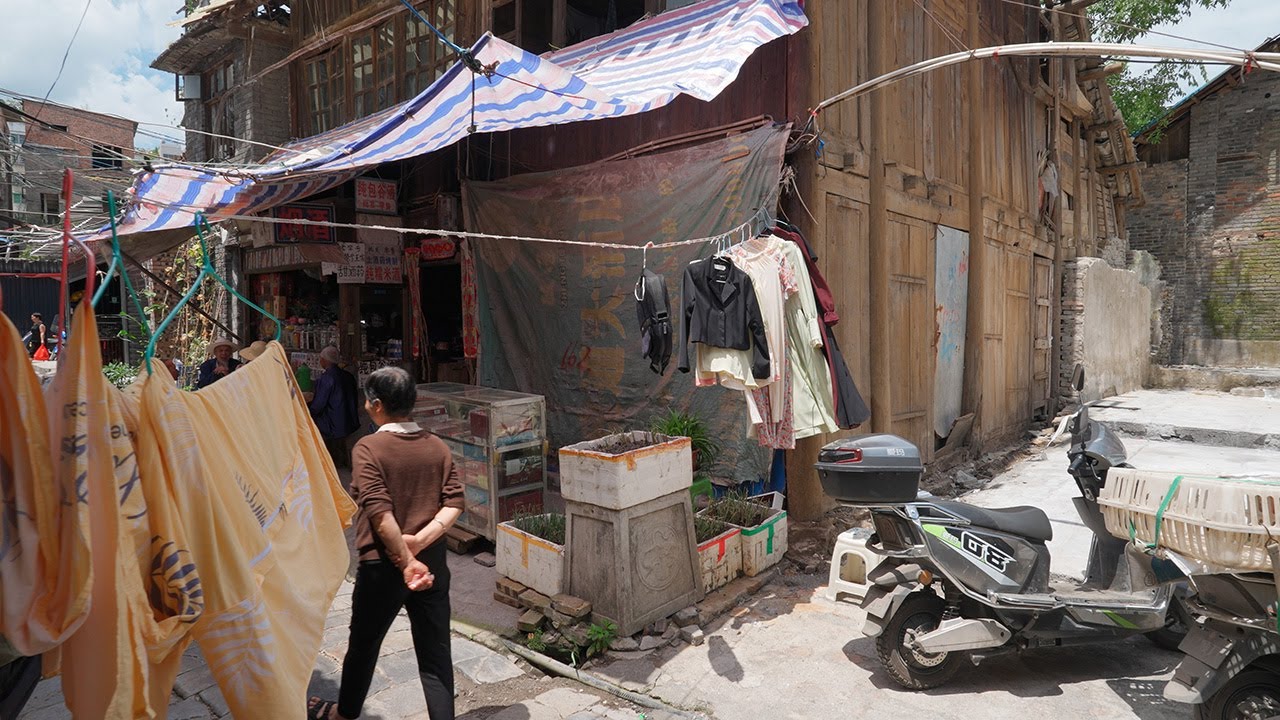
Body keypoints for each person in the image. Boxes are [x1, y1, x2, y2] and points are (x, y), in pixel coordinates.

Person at [307, 366, 463, 720]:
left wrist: (407, 559)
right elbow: (454, 502)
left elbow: (380, 514)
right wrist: (421, 543)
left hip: (384, 566)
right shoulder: (436, 446)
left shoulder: (369, 448)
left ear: (376, 405)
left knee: (364, 644)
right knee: (436, 651)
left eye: (366, 400)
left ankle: (343, 714)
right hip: (432, 564)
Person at [309, 346, 359, 468]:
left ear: (325, 361)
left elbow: (318, 405)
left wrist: (308, 413)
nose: (320, 361)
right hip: (350, 420)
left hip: (333, 423)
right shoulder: (348, 376)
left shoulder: (327, 378)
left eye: (321, 359)